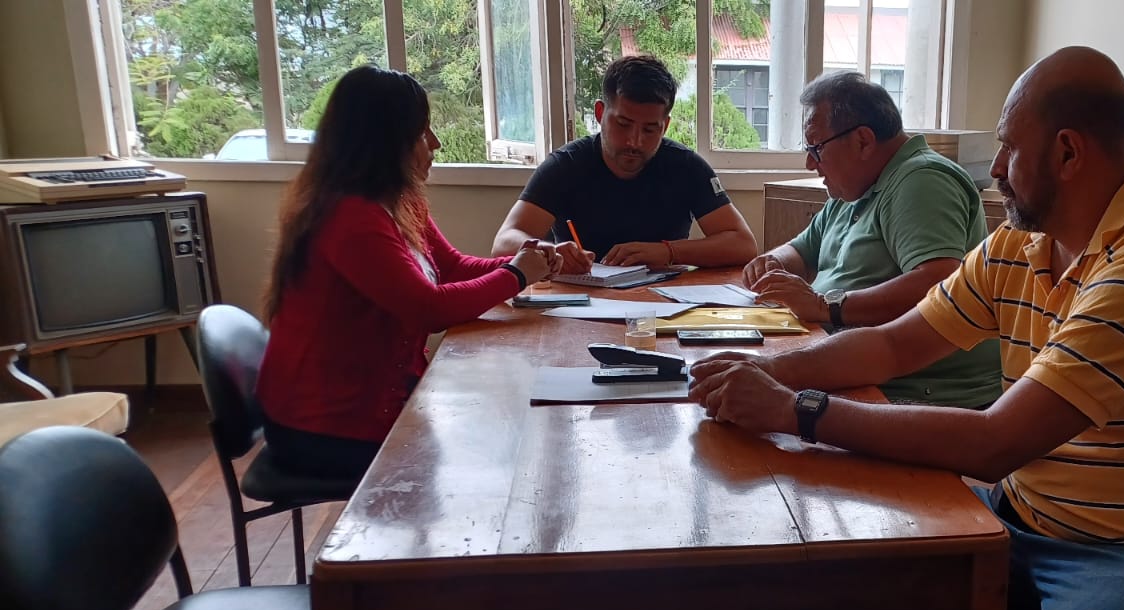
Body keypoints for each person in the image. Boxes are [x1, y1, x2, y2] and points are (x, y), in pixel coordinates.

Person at [689, 47, 1124, 610]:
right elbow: (894, 345)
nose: (996, 167)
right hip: (1035, 517)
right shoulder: (1021, 244)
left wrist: (795, 409)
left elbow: (995, 442)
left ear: (1068, 153)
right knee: (842, 587)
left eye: (1008, 146)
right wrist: (763, 371)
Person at [257, 65, 554, 480]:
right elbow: (427, 309)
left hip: (374, 399)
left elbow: (452, 267)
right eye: (422, 132)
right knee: (488, 447)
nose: (435, 143)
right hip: (322, 425)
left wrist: (529, 262)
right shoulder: (348, 216)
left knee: (500, 425)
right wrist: (517, 275)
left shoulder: (399, 201)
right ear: (385, 142)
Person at [743, 71, 1001, 409]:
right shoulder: (854, 188)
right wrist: (773, 263)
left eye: (816, 148)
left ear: (863, 141)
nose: (809, 164)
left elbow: (938, 283)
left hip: (918, 391)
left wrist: (825, 306)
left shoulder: (922, 180)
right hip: (854, 363)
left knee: (746, 411)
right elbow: (803, 250)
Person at [491, 55, 757, 272]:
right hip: (578, 302)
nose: (634, 141)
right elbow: (504, 241)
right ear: (600, 113)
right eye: (623, 124)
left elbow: (743, 244)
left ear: (665, 126)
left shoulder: (686, 166)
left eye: (650, 129)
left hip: (665, 303)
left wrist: (668, 251)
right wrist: (549, 252)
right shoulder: (565, 165)